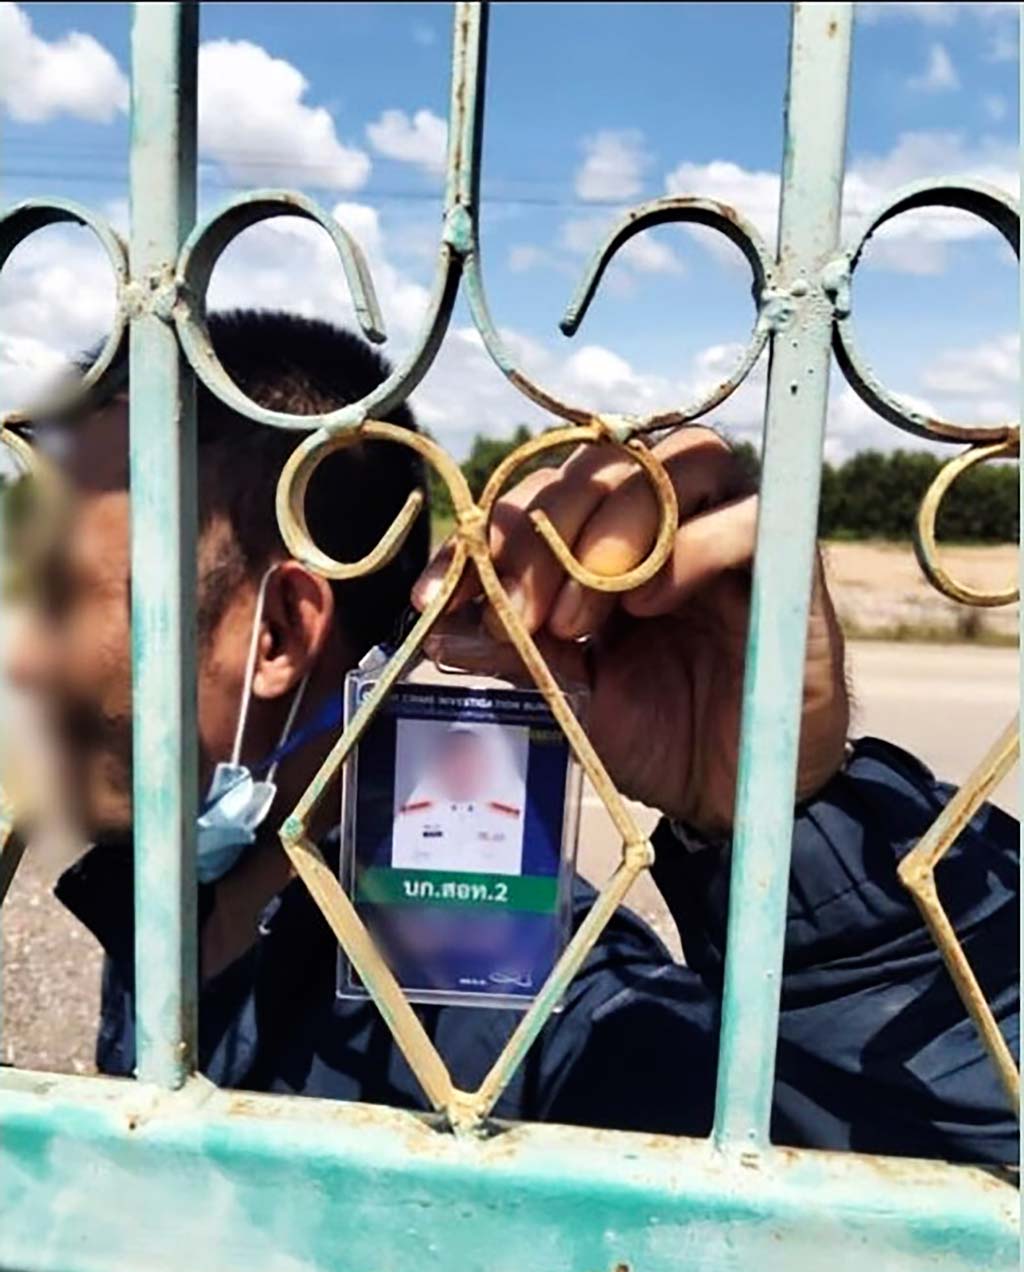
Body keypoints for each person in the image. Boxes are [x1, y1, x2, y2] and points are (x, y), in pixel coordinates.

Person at [5, 310, 1017, 1164]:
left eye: (58, 596)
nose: (18, 655)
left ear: (278, 632)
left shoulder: (504, 994)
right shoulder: (165, 890)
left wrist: (793, 832)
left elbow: (950, 1208)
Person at [392, 724, 525, 874]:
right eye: (454, 764)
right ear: (438, 768)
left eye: (471, 764)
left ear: (486, 768)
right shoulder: (410, 819)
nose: (462, 772)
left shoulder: (510, 821)